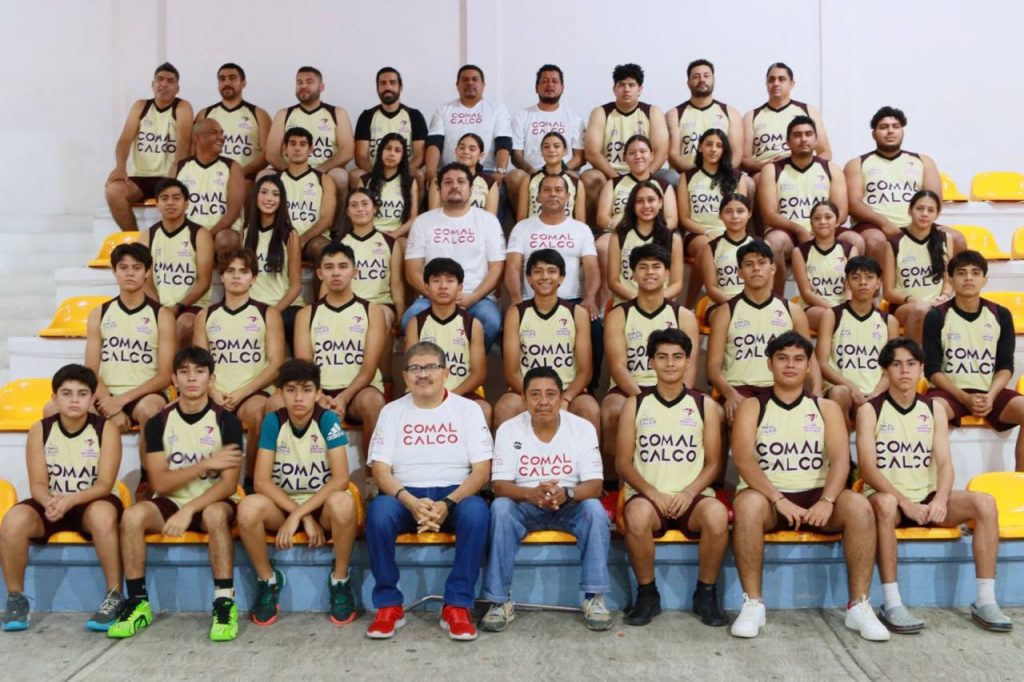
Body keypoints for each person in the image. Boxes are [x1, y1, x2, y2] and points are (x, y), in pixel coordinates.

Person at [729, 332, 889, 641]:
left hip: (816, 496)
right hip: (770, 499)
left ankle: (859, 605)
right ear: (770, 363)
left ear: (808, 365)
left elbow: (840, 460)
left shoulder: (826, 408)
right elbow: (744, 460)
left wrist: (827, 500)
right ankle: (753, 603)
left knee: (859, 506)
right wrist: (777, 499)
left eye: (798, 359)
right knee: (746, 505)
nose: (790, 365)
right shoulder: (752, 406)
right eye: (782, 358)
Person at [858, 338, 1013, 633]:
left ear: (921, 369)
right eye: (896, 364)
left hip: (926, 496)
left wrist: (940, 499)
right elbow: (867, 467)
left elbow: (945, 463)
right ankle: (892, 602)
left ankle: (985, 600)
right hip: (888, 496)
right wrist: (906, 503)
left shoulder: (933, 409)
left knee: (985, 502)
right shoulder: (870, 410)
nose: (904, 370)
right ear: (885, 371)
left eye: (911, 364)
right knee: (886, 505)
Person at [107, 347, 243, 641]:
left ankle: (224, 603)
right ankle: (138, 603)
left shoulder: (227, 421)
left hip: (213, 500)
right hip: (171, 500)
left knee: (216, 514)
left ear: (211, 379)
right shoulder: (158, 423)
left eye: (199, 372)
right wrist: (204, 465)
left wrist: (189, 509)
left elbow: (229, 485)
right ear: (174, 379)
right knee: (132, 516)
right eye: (184, 372)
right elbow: (160, 482)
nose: (192, 378)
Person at [364, 342, 492, 641]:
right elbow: (380, 471)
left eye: (431, 367)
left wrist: (448, 502)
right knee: (379, 512)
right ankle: (389, 605)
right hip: (405, 495)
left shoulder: (469, 410)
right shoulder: (391, 412)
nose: (423, 374)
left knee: (477, 512)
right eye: (415, 369)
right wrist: (410, 502)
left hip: (455, 495)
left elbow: (482, 471)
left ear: (446, 373)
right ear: (405, 376)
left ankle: (457, 605)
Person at [482, 367, 611, 632]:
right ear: (523, 398)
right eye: (535, 394)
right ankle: (498, 601)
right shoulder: (509, 429)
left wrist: (568, 493)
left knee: (594, 509)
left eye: (551, 394)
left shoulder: (582, 428)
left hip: (569, 505)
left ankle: (595, 598)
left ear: (562, 398)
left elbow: (595, 485)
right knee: (500, 508)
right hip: (525, 505)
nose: (543, 401)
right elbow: (499, 485)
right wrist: (530, 494)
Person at [616, 329, 729, 627]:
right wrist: (653, 493)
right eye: (662, 357)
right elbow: (623, 463)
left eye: (677, 357)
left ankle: (706, 593)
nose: (670, 363)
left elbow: (714, 463)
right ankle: (647, 594)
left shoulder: (704, 404)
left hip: (691, 497)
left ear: (688, 362)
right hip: (649, 497)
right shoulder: (635, 404)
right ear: (651, 362)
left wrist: (689, 493)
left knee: (717, 514)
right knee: (636, 516)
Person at [236, 359, 360, 627]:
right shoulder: (273, 421)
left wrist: (301, 514)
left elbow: (341, 479)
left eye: (306, 390)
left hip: (321, 507)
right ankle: (267, 580)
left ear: (318, 393)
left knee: (343, 502)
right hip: (283, 506)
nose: (299, 397)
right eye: (291, 390)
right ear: (280, 393)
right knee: (247, 508)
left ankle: (340, 581)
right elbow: (261, 482)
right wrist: (300, 516)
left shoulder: (327, 420)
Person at [1, 365, 124, 632]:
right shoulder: (40, 429)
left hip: (92, 501)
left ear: (92, 399)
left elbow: (104, 484)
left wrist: (70, 501)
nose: (74, 399)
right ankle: (16, 599)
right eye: (66, 393)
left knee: (103, 515)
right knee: (13, 520)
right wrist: (49, 502)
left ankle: (114, 595)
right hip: (53, 502)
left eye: (82, 393)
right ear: (54, 398)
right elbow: (37, 484)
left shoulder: (106, 429)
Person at [602, 244, 700, 484]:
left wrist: (679, 398)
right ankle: (614, 485)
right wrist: (643, 400)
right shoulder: (618, 315)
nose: (650, 272)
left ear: (667, 273)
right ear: (633, 274)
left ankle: (698, 483)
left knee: (713, 413)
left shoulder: (684, 316)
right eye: (643, 267)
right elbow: (617, 366)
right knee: (613, 410)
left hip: (674, 388)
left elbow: (690, 365)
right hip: (629, 388)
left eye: (656, 267)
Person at [293, 243, 386, 490]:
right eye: (329, 267)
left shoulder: (372, 311)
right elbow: (305, 367)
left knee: (374, 403)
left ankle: (373, 484)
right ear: (319, 273)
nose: (336, 273)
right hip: (318, 391)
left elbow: (369, 368)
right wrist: (320, 396)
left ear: (354, 271)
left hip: (357, 391)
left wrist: (343, 398)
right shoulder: (306, 314)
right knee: (276, 404)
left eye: (343, 266)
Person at [923, 250, 1024, 472]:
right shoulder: (936, 316)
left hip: (989, 392)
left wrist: (991, 396)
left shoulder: (1001, 314)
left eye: (975, 273)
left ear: (984, 280)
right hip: (950, 393)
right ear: (951, 279)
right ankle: (935, 481)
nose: (968, 278)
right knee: (931, 412)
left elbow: (1005, 366)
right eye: (961, 273)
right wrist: (963, 397)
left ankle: (1020, 483)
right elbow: (932, 370)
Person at [193, 248, 285, 483]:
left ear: (253, 278)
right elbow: (199, 364)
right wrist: (213, 391)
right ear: (221, 277)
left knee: (260, 414)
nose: (236, 276)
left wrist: (242, 392)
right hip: (214, 392)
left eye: (243, 271)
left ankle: (252, 481)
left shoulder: (268, 314)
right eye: (230, 271)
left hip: (252, 392)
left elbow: (276, 364)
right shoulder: (205, 315)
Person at [706, 240, 818, 424]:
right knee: (740, 415)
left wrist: (817, 392)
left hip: (780, 388)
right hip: (740, 389)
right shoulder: (725, 312)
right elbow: (712, 367)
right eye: (749, 264)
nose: (756, 269)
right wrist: (730, 394)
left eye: (761, 263)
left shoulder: (793, 311)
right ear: (740, 273)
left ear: (772, 268)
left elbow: (810, 359)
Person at [403, 162, 505, 350]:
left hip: (477, 297)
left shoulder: (488, 221)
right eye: (448, 182)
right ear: (438, 189)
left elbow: (497, 269)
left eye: (461, 181)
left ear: (471, 188)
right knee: (410, 318)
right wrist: (436, 295)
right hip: (431, 297)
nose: (455, 186)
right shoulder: (423, 222)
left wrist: (473, 297)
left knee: (490, 320)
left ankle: (469, 364)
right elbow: (412, 271)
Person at [495, 249, 599, 431]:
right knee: (505, 408)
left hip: (568, 391)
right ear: (528, 278)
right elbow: (511, 372)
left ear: (561, 278)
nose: (545, 277)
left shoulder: (577, 313)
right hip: (527, 390)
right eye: (538, 271)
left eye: (551, 271)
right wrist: (534, 396)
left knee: (590, 409)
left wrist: (565, 398)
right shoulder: (516, 313)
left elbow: (584, 371)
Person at [82, 243, 174, 438]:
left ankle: (149, 460)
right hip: (106, 395)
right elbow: (90, 370)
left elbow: (165, 376)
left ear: (147, 272)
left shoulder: (162, 315)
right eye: (123, 267)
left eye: (136, 268)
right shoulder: (99, 313)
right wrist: (108, 402)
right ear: (114, 271)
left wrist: (121, 400)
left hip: (144, 395)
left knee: (151, 410)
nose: (129, 273)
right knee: (60, 409)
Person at [759, 116, 855, 295]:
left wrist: (821, 231)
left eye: (808, 134)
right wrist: (799, 230)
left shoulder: (831, 169)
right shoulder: (771, 169)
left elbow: (841, 212)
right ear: (787, 142)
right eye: (797, 135)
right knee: (773, 242)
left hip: (825, 228)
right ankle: (776, 300)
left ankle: (848, 300)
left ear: (816, 140)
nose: (803, 139)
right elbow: (769, 215)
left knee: (855, 241)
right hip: (789, 231)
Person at [844, 106, 948, 264]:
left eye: (896, 126)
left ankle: (944, 282)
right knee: (875, 240)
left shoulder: (923, 161)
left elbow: (935, 200)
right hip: (874, 226)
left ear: (902, 132)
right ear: (873, 133)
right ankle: (878, 282)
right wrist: (885, 223)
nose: (890, 131)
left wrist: (918, 226)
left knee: (956, 238)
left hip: (916, 223)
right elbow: (853, 204)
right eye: (883, 127)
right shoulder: (857, 163)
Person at [105, 63, 193, 232]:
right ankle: (135, 239)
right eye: (160, 79)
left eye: (170, 81)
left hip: (169, 175)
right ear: (153, 84)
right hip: (140, 178)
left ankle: (170, 239)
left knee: (175, 198)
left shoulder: (182, 107)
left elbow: (184, 141)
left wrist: (176, 170)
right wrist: (120, 167)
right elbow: (124, 140)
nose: (164, 84)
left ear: (177, 88)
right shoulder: (141, 106)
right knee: (113, 191)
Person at [405, 258, 491, 428]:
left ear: (460, 288)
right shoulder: (416, 323)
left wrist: (450, 396)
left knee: (484, 409)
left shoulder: (472, 324)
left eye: (450, 281)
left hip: (461, 393)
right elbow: (412, 369)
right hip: (423, 392)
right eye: (436, 281)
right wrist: (431, 395)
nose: (443, 286)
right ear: (426, 287)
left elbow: (479, 373)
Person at [817, 256, 899, 423]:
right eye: (855, 278)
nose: (863, 282)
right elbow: (822, 363)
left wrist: (876, 394)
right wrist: (852, 388)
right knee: (839, 393)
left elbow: (892, 367)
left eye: (869, 277)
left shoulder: (889, 321)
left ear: (878, 283)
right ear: (847, 283)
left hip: (876, 392)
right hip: (843, 391)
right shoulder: (831, 315)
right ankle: (842, 441)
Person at [582, 63, 668, 223]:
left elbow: (661, 151)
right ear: (614, 89)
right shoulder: (601, 112)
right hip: (610, 172)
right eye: (621, 85)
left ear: (639, 89)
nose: (626, 89)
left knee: (672, 177)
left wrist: (644, 176)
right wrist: (619, 180)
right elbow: (592, 153)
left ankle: (663, 227)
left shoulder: (652, 112)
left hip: (646, 171)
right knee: (589, 177)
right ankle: (596, 229)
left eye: (631, 85)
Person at [678, 129, 753, 306]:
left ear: (724, 150)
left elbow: (742, 211)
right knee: (706, 249)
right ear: (700, 148)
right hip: (699, 233)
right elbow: (684, 218)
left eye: (719, 146)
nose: (713, 149)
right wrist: (706, 232)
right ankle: (690, 305)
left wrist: (729, 233)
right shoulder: (687, 177)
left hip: (732, 231)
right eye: (709, 144)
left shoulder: (737, 177)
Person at [505, 174, 599, 313]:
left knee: (595, 324)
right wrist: (516, 299)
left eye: (558, 190)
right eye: (547, 190)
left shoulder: (581, 229)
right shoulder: (522, 228)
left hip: (572, 301)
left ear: (568, 196)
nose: (553, 194)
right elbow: (512, 267)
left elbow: (591, 268)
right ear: (538, 196)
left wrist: (590, 298)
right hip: (531, 302)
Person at [137, 178, 214, 349]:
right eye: (164, 198)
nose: (170, 202)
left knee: (183, 325)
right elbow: (145, 281)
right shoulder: (147, 236)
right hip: (159, 305)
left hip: (192, 305)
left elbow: (204, 282)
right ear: (157, 204)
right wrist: (160, 309)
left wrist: (178, 307)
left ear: (186, 203)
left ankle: (170, 366)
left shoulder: (200, 234)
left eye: (176, 198)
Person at [266, 66, 354, 213]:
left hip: (324, 170)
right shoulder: (284, 114)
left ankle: (335, 226)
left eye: (309, 82)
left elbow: (347, 151)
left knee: (340, 176)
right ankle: (272, 225)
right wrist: (291, 171)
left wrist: (318, 171)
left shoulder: (337, 113)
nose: (303, 86)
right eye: (299, 82)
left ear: (321, 87)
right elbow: (271, 153)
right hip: (290, 168)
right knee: (264, 176)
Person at [507, 65, 586, 212]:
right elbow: (516, 154)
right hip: (532, 172)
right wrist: (533, 171)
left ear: (562, 87)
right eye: (545, 81)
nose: (550, 85)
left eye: (555, 81)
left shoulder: (574, 117)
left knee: (592, 177)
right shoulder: (522, 116)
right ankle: (523, 222)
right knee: (514, 176)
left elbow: (580, 156)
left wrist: (560, 170)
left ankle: (583, 224)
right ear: (536, 88)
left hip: (565, 171)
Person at [882, 190, 955, 343]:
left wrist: (944, 296)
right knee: (921, 310)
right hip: (906, 306)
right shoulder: (894, 242)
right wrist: (912, 299)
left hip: (937, 304)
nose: (924, 214)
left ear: (937, 214)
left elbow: (949, 282)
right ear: (910, 211)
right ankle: (914, 355)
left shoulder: (945, 239)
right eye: (920, 208)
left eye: (930, 210)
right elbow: (888, 292)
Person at [426, 65, 512, 183]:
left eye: (475, 79)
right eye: (465, 79)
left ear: (483, 84)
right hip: (449, 171)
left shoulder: (497, 109)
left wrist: (501, 171)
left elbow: (503, 142)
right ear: (457, 84)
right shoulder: (443, 110)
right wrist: (431, 171)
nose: (470, 83)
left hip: (486, 171)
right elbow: (434, 142)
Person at [242, 175, 303, 341]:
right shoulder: (245, 230)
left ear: (281, 200)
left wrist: (273, 313)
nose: (269, 198)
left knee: (289, 322)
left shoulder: (290, 234)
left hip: (283, 306)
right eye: (264, 192)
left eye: (275, 194)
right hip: (254, 305)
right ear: (256, 196)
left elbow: (295, 286)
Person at [339, 188, 406, 338]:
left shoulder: (390, 243)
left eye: (365, 204)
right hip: (348, 302)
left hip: (380, 303)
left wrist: (400, 315)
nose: (360, 209)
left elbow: (396, 283)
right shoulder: (339, 243)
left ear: (374, 209)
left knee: (381, 320)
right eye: (354, 205)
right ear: (348, 211)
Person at [741, 63, 830, 174]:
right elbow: (743, 159)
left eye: (781, 79)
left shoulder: (809, 111)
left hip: (800, 171)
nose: (776, 83)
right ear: (766, 83)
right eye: (771, 80)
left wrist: (805, 166)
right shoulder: (751, 116)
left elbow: (825, 152)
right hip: (763, 173)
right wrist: (762, 166)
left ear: (791, 84)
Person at [175, 118, 245, 255]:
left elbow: (234, 211)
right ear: (197, 138)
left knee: (226, 240)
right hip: (190, 231)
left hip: (221, 231)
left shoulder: (232, 166)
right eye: (214, 132)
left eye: (221, 133)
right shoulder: (180, 167)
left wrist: (207, 235)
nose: (221, 137)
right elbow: (170, 204)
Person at [606, 181, 684, 305]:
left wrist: (655, 299)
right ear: (632, 205)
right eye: (640, 201)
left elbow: (677, 283)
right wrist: (637, 300)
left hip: (661, 303)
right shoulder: (619, 236)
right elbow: (613, 281)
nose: (646, 205)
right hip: (626, 302)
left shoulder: (673, 239)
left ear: (660, 203)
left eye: (651, 200)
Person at [665, 59, 743, 178]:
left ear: (713, 80)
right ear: (688, 82)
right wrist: (699, 173)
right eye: (696, 76)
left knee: (748, 183)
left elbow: (736, 154)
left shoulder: (731, 113)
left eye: (706, 76)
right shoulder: (674, 115)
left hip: (721, 174)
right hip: (686, 174)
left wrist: (718, 172)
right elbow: (673, 155)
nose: (702, 79)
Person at [195, 63, 271, 184]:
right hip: (209, 179)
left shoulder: (259, 114)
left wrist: (239, 173)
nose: (227, 83)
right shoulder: (205, 114)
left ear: (243, 83)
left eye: (232, 78)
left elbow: (267, 153)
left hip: (245, 179)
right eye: (222, 79)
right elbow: (195, 149)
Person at [353, 67, 427, 187]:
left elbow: (420, 155)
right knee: (355, 175)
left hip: (405, 171)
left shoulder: (414, 115)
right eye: (383, 83)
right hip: (374, 171)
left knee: (418, 174)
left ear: (400, 87)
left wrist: (399, 173)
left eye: (392, 83)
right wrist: (376, 173)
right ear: (377, 88)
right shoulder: (367, 116)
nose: (387, 87)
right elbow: (360, 156)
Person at [791, 200, 857, 331]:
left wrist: (846, 308)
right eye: (817, 218)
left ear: (837, 221)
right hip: (813, 307)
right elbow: (806, 293)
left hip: (843, 305)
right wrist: (833, 310)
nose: (822, 221)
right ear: (811, 224)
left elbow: (850, 289)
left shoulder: (850, 249)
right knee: (828, 317)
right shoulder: (799, 252)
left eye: (828, 217)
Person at [277, 127, 337, 263]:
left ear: (311, 150)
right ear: (285, 148)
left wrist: (303, 239)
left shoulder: (324, 179)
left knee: (323, 249)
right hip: (281, 237)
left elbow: (327, 219)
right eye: (292, 144)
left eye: (303, 144)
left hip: (312, 238)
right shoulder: (275, 180)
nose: (297, 148)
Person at [596, 134, 678, 232]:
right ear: (625, 158)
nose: (638, 156)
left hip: (654, 234)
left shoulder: (664, 186)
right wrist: (619, 227)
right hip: (619, 232)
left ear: (651, 156)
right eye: (632, 153)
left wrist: (650, 231)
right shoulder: (612, 184)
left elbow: (672, 219)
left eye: (643, 151)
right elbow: (602, 217)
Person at [358, 132, 420, 237]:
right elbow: (358, 214)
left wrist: (393, 235)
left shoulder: (410, 182)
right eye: (388, 148)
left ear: (402, 156)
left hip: (397, 236)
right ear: (381, 151)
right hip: (368, 234)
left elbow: (413, 219)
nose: (391, 154)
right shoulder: (365, 180)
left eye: (397, 150)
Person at [698, 194, 755, 306]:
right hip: (721, 305)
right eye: (728, 212)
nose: (735, 216)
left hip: (753, 304)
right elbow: (711, 288)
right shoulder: (711, 248)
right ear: (720, 215)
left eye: (740, 211)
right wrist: (735, 306)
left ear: (749, 213)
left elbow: (767, 285)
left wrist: (750, 306)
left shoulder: (760, 245)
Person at [516, 131, 586, 222]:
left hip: (567, 231)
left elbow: (580, 222)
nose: (551, 150)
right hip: (534, 230)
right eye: (546, 147)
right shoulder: (529, 180)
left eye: (556, 146)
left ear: (565, 151)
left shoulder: (576, 183)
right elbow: (521, 219)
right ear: (541, 152)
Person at [427, 133, 499, 214]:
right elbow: (432, 215)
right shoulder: (439, 179)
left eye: (472, 149)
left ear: (481, 155)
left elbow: (490, 218)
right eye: (462, 148)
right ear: (456, 151)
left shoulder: (489, 182)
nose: (466, 151)